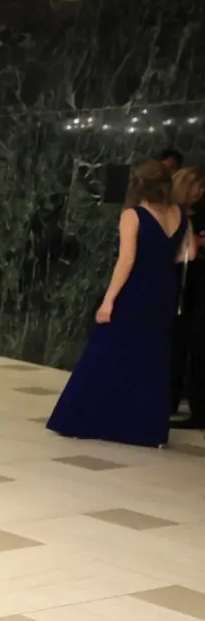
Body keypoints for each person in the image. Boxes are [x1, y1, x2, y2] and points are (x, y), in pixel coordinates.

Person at [48, 160, 192, 448]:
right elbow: (185, 254)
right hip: (164, 289)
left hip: (135, 288)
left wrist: (109, 300)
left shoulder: (133, 215)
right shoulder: (179, 215)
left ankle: (89, 419)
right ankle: (144, 428)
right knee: (152, 356)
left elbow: (126, 260)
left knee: (108, 349)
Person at [168, 166, 205, 422]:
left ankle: (198, 406)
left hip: (199, 282)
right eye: (197, 186)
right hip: (178, 282)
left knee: (196, 343)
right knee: (175, 342)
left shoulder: (199, 214)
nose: (200, 192)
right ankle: (169, 397)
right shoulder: (173, 214)